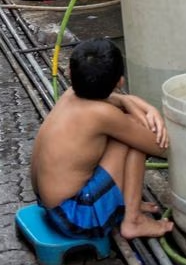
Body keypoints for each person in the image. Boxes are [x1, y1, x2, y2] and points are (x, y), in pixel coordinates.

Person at [30, 39, 173, 241]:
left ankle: (124, 203)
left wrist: (139, 106)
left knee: (128, 127)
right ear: (120, 82)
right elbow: (159, 147)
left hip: (50, 205)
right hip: (74, 217)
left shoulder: (71, 93)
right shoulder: (103, 115)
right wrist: (151, 113)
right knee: (132, 136)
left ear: (71, 74)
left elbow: (119, 100)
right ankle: (133, 221)